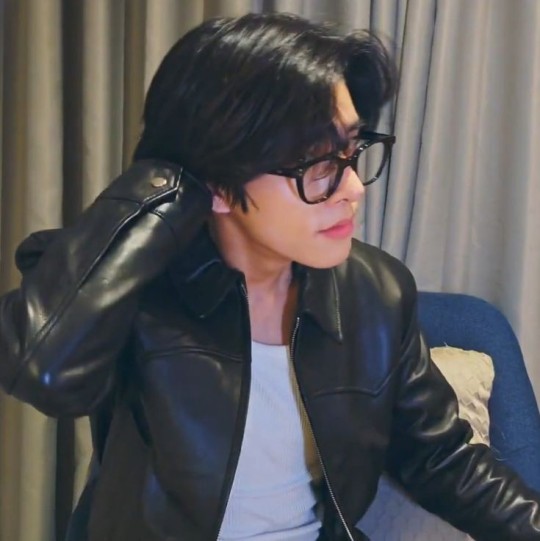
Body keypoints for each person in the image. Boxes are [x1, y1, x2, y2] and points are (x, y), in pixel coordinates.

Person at [0, 12, 538, 541]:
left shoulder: (376, 292)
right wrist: (162, 186)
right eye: (317, 164)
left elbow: (441, 458)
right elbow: (42, 372)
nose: (353, 189)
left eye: (351, 152)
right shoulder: (138, 288)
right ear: (217, 179)